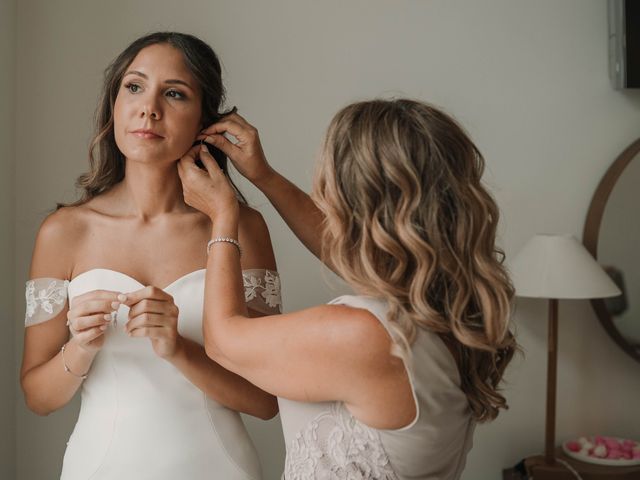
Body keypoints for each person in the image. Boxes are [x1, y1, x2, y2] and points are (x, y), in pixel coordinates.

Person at [178, 99, 517, 479]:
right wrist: (264, 176)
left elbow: (224, 341)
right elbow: (356, 255)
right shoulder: (439, 310)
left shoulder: (367, 336)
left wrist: (223, 218)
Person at [20, 32, 280, 480]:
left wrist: (178, 348)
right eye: (134, 87)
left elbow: (265, 400)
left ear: (205, 119)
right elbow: (38, 397)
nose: (149, 108)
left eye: (174, 93)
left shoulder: (240, 226)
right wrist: (80, 348)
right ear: (115, 105)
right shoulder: (63, 232)